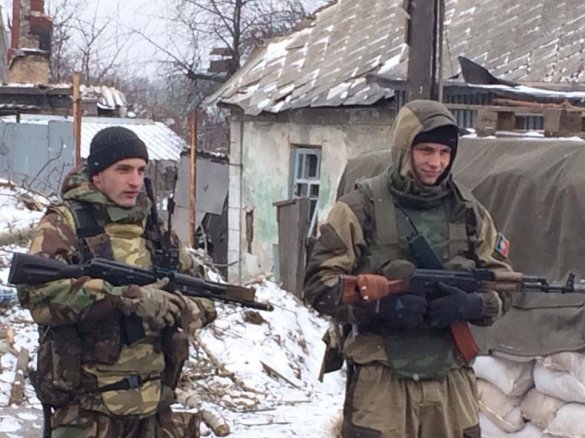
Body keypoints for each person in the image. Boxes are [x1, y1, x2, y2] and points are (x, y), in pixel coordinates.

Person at [304, 100, 512, 438]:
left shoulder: (468, 211)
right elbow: (319, 285)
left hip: (449, 379)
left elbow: (503, 284)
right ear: (404, 148)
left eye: (444, 152)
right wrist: (380, 306)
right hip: (382, 378)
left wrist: (473, 305)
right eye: (425, 150)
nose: (435, 163)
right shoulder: (360, 207)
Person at [18, 126, 216, 437]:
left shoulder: (154, 230)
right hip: (88, 411)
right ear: (97, 175)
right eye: (123, 169)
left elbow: (204, 294)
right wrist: (124, 298)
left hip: (153, 408)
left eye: (140, 170)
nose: (135, 181)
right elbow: (39, 296)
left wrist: (184, 308)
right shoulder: (67, 222)